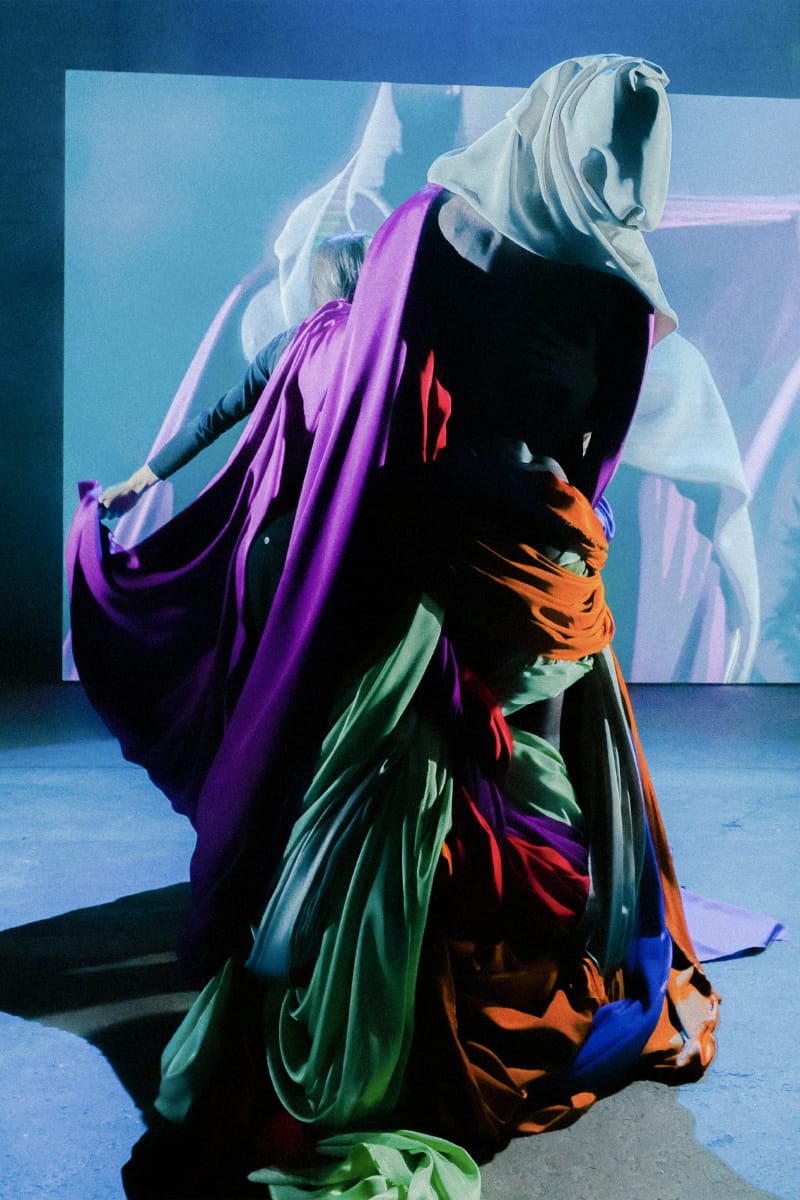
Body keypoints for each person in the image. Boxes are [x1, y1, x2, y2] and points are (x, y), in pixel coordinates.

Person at [68, 55, 719, 1200]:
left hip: (513, 568)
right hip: (447, 569)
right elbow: (358, 419)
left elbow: (572, 443)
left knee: (504, 794)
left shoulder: (549, 271)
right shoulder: (433, 260)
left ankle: (473, 981)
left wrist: (546, 494)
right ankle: (408, 1015)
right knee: (418, 794)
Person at [97, 232, 370, 520]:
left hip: (309, 512)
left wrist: (136, 483)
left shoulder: (287, 347)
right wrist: (136, 483)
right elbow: (212, 420)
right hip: (338, 512)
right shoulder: (370, 345)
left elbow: (211, 421)